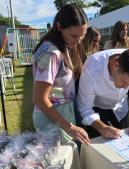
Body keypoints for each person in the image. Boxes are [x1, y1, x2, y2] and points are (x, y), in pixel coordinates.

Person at [32, 4, 89, 144]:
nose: (78, 41)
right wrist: (69, 126)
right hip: (53, 116)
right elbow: (39, 98)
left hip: (60, 112)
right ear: (59, 27)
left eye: (82, 36)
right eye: (73, 35)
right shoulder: (51, 53)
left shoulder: (61, 46)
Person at [77, 49, 129, 139]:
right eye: (124, 81)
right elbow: (85, 107)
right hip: (97, 110)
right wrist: (102, 128)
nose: (126, 88)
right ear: (116, 65)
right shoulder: (92, 68)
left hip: (121, 109)